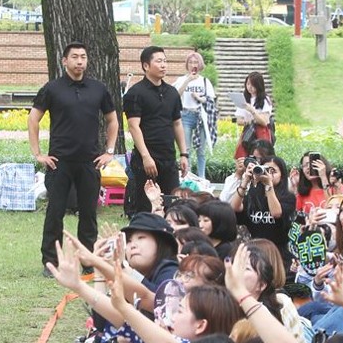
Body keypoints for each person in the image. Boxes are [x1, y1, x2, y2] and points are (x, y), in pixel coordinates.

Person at [29, 42, 117, 277]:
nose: (80, 61)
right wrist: (38, 154)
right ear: (64, 61)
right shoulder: (52, 89)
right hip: (59, 162)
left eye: (84, 57)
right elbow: (33, 119)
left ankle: (88, 261)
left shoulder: (98, 89)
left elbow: (113, 120)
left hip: (89, 162)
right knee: (55, 213)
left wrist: (109, 150)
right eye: (75, 57)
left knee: (88, 214)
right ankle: (51, 261)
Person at [123, 46, 188, 213]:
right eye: (158, 61)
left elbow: (177, 124)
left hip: (168, 158)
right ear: (146, 66)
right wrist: (146, 157)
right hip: (146, 159)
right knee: (146, 209)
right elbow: (133, 126)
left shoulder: (172, 93)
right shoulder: (135, 93)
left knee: (173, 208)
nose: (163, 65)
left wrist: (183, 154)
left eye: (165, 61)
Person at [174, 52, 214, 179]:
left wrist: (199, 98)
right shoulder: (181, 80)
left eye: (196, 62)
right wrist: (187, 81)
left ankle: (201, 177)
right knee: (186, 149)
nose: (193, 65)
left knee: (201, 150)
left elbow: (210, 99)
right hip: (185, 114)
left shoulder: (205, 81)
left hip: (200, 116)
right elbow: (176, 95)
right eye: (191, 62)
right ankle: (188, 176)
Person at [234, 72, 273, 160]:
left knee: (262, 155)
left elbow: (264, 122)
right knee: (242, 156)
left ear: (258, 85)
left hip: (261, 132)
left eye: (253, 84)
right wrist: (247, 121)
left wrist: (252, 111)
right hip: (248, 131)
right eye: (248, 84)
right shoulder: (244, 99)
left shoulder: (265, 100)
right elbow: (239, 120)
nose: (249, 87)